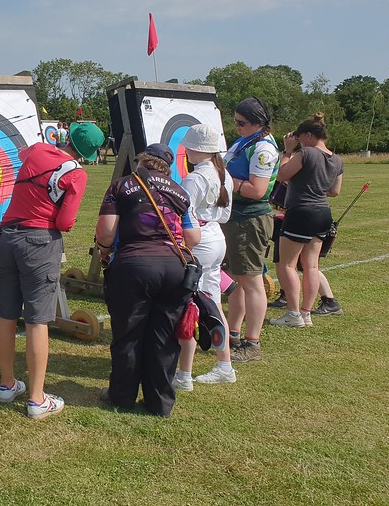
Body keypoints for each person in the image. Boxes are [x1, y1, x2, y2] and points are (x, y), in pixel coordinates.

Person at [0, 122, 104, 419]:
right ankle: (36, 398)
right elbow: (65, 222)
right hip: (39, 243)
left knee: (6, 314)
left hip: (6, 237)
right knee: (37, 320)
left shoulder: (39, 149)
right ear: (89, 153)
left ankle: (7, 385)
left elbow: (22, 151)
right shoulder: (77, 173)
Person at [95, 143, 200, 417]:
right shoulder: (180, 191)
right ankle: (160, 403)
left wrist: (105, 252)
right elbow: (192, 238)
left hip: (133, 266)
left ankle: (122, 397)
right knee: (164, 337)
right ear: (167, 166)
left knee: (128, 335)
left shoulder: (122, 185)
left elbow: (106, 234)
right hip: (175, 269)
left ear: (142, 161)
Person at [173, 125, 236, 390]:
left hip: (198, 240)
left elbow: (181, 214)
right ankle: (225, 366)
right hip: (215, 236)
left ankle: (183, 375)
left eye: (188, 146)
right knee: (213, 303)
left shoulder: (195, 178)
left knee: (190, 305)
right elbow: (224, 215)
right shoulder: (224, 174)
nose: (185, 150)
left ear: (197, 149)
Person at [270, 113, 343, 328]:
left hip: (301, 212)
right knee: (311, 266)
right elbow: (334, 191)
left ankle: (293, 314)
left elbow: (282, 175)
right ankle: (306, 313)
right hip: (323, 213)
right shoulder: (336, 159)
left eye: (300, 138)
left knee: (287, 265)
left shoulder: (307, 153)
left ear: (309, 135)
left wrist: (288, 151)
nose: (298, 141)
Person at [222, 97, 280, 363]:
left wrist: (229, 182)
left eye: (241, 123)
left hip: (249, 219)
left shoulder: (263, 149)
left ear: (258, 123)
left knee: (252, 282)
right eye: (235, 122)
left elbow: (257, 190)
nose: (237, 127)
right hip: (236, 218)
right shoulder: (247, 141)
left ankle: (252, 343)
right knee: (237, 281)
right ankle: (233, 334)